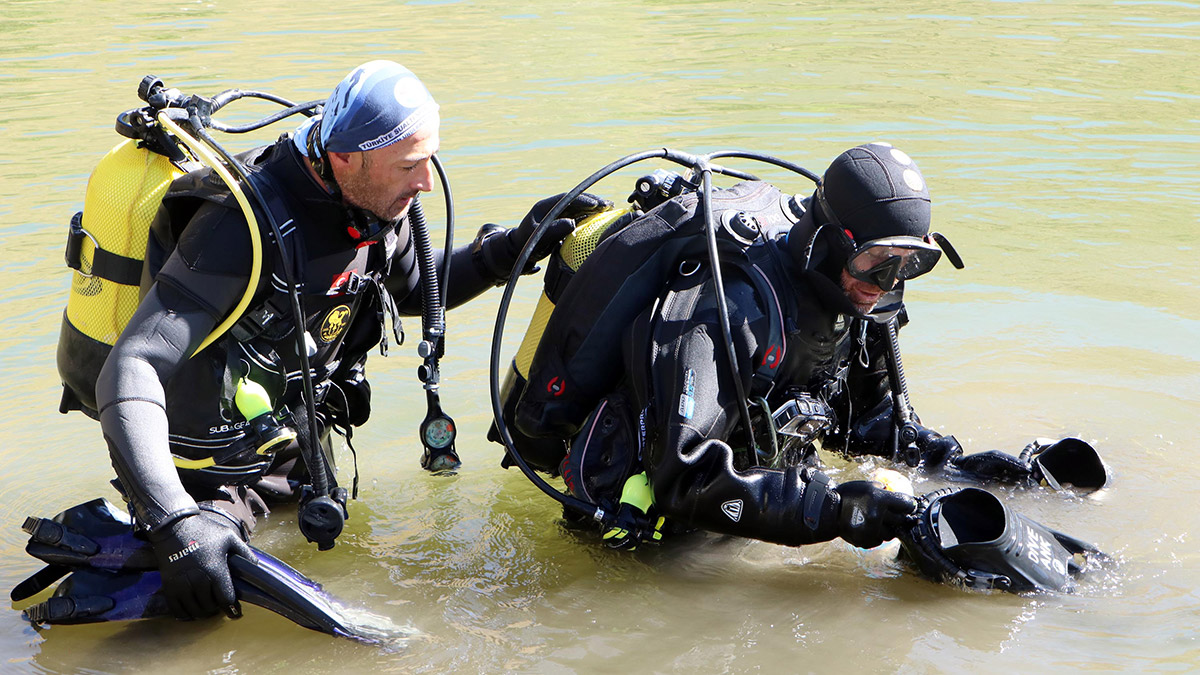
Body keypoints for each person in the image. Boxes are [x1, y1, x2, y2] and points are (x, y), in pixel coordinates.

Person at [83, 60, 607, 622]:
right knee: (200, 615)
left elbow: (416, 288)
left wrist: (511, 248)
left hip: (291, 445)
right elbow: (132, 364)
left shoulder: (372, 203)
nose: (426, 181)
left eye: (429, 159)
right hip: (203, 474)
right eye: (409, 165)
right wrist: (174, 524)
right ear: (344, 157)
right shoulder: (239, 227)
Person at [506, 142, 1099, 553]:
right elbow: (681, 478)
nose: (886, 284)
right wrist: (835, 511)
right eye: (876, 261)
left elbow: (869, 429)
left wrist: (998, 474)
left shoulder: (860, 300)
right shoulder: (726, 307)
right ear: (829, 239)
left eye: (910, 265)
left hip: (753, 497)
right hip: (646, 533)